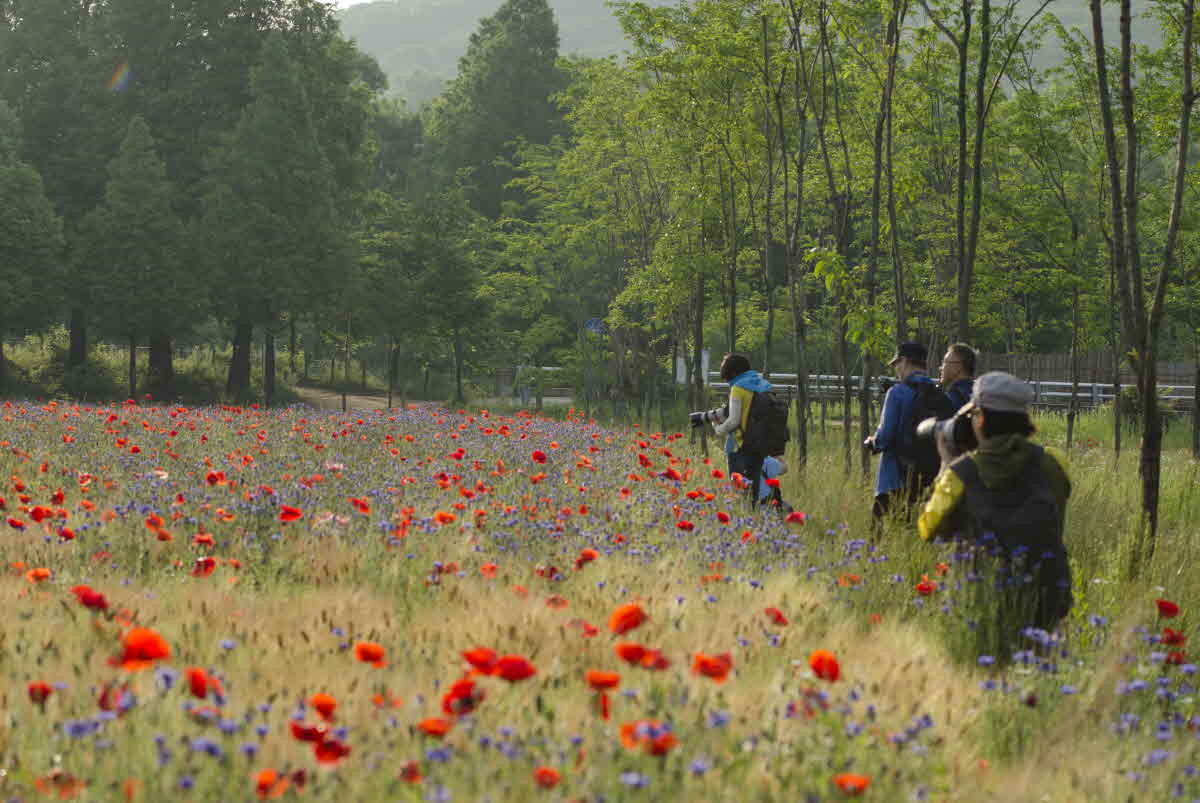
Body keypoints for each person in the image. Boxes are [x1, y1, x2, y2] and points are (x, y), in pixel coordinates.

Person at [918, 371, 1072, 636]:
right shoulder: (1052, 464)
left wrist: (945, 465)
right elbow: (1058, 514)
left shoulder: (960, 474)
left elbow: (928, 529)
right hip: (1045, 595)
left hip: (983, 601)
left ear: (981, 419)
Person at [864, 341, 943, 519]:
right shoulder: (937, 393)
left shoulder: (897, 392)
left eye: (896, 363)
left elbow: (885, 437)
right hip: (927, 477)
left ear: (905, 361)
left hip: (894, 476)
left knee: (880, 530)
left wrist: (872, 442)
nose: (895, 368)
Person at [712, 353, 772, 505]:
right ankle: (756, 515)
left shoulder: (738, 388)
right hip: (759, 444)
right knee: (754, 492)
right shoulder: (762, 384)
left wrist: (718, 429)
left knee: (740, 494)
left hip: (740, 446)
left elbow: (734, 421)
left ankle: (745, 517)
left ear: (732, 372)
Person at [939, 343, 976, 409]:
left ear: (959, 366)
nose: (941, 368)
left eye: (945, 362)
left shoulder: (953, 398)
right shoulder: (978, 393)